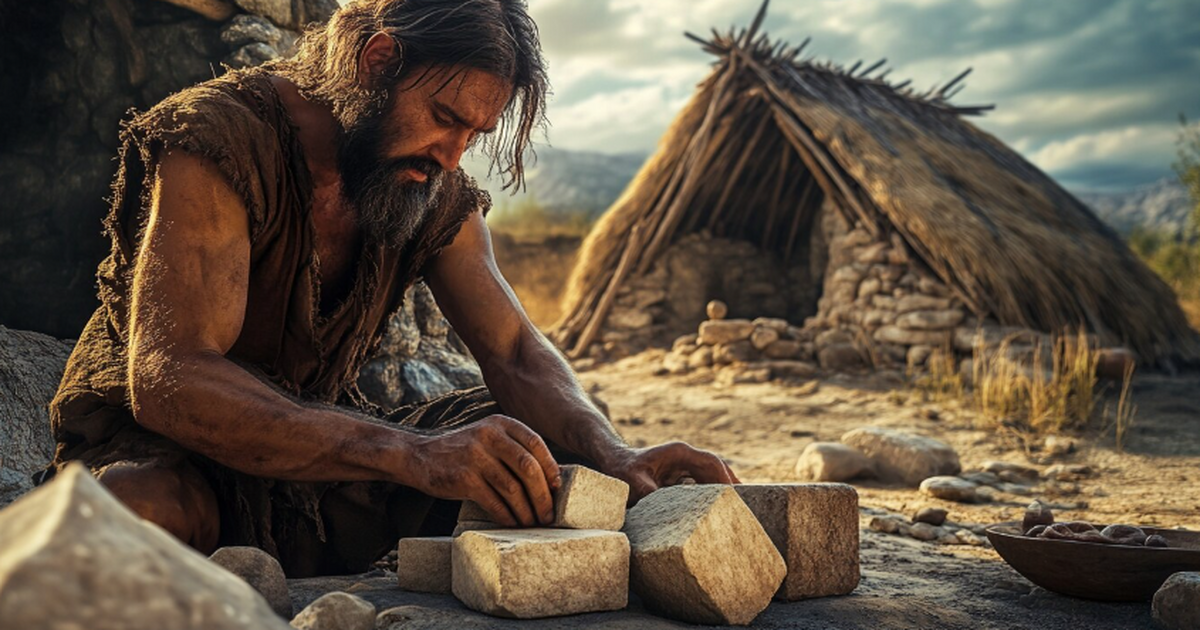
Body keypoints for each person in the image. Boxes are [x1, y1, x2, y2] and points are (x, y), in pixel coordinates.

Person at [39, 0, 737, 577]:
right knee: (138, 506)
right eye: (444, 117)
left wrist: (614, 453)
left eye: (474, 133)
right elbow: (174, 381)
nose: (453, 153)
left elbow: (517, 352)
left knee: (538, 455)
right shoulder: (218, 141)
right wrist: (410, 453)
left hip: (317, 470)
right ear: (378, 61)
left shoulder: (431, 186)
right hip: (174, 455)